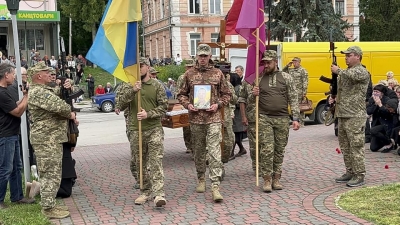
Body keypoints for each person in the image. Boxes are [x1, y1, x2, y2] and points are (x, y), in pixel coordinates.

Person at [178, 44, 231, 202]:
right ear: (197, 57)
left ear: (210, 57)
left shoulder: (217, 73)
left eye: (205, 56)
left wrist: (218, 104)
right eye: (200, 56)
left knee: (214, 152)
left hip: (213, 118)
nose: (202, 59)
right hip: (196, 119)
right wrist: (188, 105)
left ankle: (215, 186)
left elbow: (227, 94)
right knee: (199, 151)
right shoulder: (189, 74)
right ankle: (201, 178)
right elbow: (181, 94)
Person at [27, 61, 76, 218]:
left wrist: (69, 85)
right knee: (50, 174)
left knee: (53, 173)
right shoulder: (38, 92)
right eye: (46, 72)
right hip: (46, 139)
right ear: (38, 76)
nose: (50, 74)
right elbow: (61, 107)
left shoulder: (44, 90)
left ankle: (50, 204)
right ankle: (48, 208)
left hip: (51, 138)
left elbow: (60, 93)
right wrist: (69, 113)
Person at [117, 58, 168, 207]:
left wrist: (149, 114)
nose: (139, 69)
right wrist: (133, 91)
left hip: (154, 129)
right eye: (136, 66)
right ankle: (145, 191)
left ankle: (159, 193)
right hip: (136, 129)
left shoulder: (157, 85)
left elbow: (163, 107)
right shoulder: (128, 86)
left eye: (142, 66)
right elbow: (119, 104)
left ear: (148, 67)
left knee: (155, 161)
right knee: (140, 162)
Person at [251, 50, 300, 193]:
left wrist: (296, 118)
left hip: (282, 118)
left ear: (275, 62)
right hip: (264, 118)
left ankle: (276, 178)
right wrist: (253, 94)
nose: (266, 65)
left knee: (279, 149)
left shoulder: (286, 77)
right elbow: (249, 100)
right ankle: (266, 179)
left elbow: (293, 98)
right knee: (266, 149)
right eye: (264, 62)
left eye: (268, 62)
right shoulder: (259, 78)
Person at [330, 46, 370, 187]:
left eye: (349, 55)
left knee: (356, 146)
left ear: (358, 56)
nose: (346, 57)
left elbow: (355, 76)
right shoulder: (346, 72)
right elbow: (342, 89)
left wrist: (338, 71)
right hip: (343, 114)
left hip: (355, 115)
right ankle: (350, 171)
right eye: (345, 55)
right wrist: (333, 98)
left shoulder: (362, 71)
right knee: (345, 146)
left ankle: (359, 174)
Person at [0, 63, 35, 210]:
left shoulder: (5, 90)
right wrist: (27, 96)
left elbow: (14, 105)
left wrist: (23, 99)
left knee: (16, 167)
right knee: (6, 168)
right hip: (6, 135)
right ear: (6, 74)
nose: (15, 76)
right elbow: (17, 112)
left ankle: (17, 196)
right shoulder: (1, 93)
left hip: (13, 134)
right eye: (13, 74)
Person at [283, 57, 308, 127]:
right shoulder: (291, 70)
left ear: (299, 62)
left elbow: (305, 82)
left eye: (295, 62)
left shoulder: (303, 70)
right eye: (293, 62)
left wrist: (304, 93)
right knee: (291, 106)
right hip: (290, 91)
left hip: (299, 92)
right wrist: (287, 66)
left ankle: (301, 122)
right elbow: (283, 72)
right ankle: (293, 121)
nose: (294, 63)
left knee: (300, 107)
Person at [176, 59, 194, 154]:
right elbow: (179, 92)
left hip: (196, 105)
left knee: (194, 128)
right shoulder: (182, 78)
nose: (190, 68)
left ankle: (195, 148)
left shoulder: (196, 76)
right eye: (188, 67)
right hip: (185, 105)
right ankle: (189, 146)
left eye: (192, 66)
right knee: (186, 128)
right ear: (185, 67)